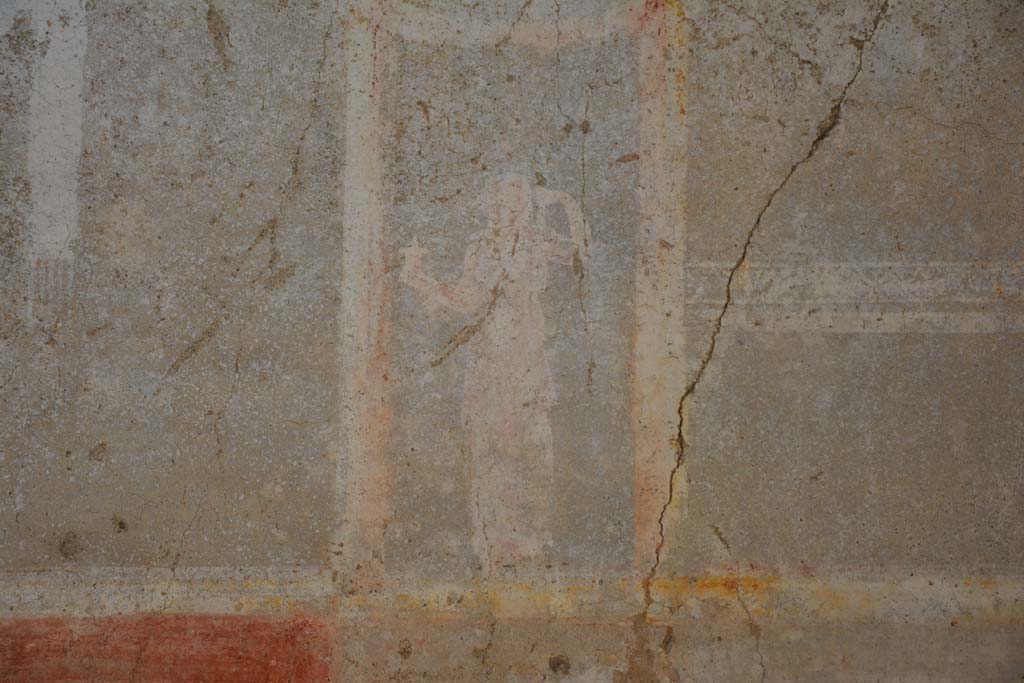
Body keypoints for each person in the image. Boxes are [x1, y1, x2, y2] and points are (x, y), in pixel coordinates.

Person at [400, 173, 590, 568]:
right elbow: (467, 299)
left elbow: (582, 251)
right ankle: (493, 545)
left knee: (531, 446)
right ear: (490, 207)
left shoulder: (538, 242)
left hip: (528, 354)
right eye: (500, 204)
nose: (506, 212)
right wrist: (422, 280)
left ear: (527, 207)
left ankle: (532, 543)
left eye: (515, 204)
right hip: (490, 359)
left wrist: (565, 200)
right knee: (489, 448)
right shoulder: (481, 247)